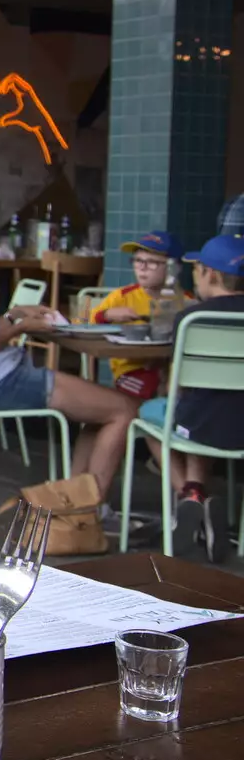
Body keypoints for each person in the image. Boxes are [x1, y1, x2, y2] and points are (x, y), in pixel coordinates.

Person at [0, 190, 136, 508]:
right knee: (123, 410)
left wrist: (12, 315)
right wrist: (23, 328)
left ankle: (74, 502)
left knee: (98, 412)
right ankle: (91, 511)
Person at [137, 233, 244, 563]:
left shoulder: (191, 319)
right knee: (207, 414)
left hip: (199, 423)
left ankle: (192, 495)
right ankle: (198, 495)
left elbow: (178, 386)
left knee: (146, 415)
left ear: (209, 274)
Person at [91, 231, 192, 400]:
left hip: (174, 370)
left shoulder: (186, 301)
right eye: (138, 261)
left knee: (186, 394)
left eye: (152, 262)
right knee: (151, 390)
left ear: (173, 267)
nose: (142, 268)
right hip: (132, 369)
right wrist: (107, 314)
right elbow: (88, 322)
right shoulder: (123, 296)